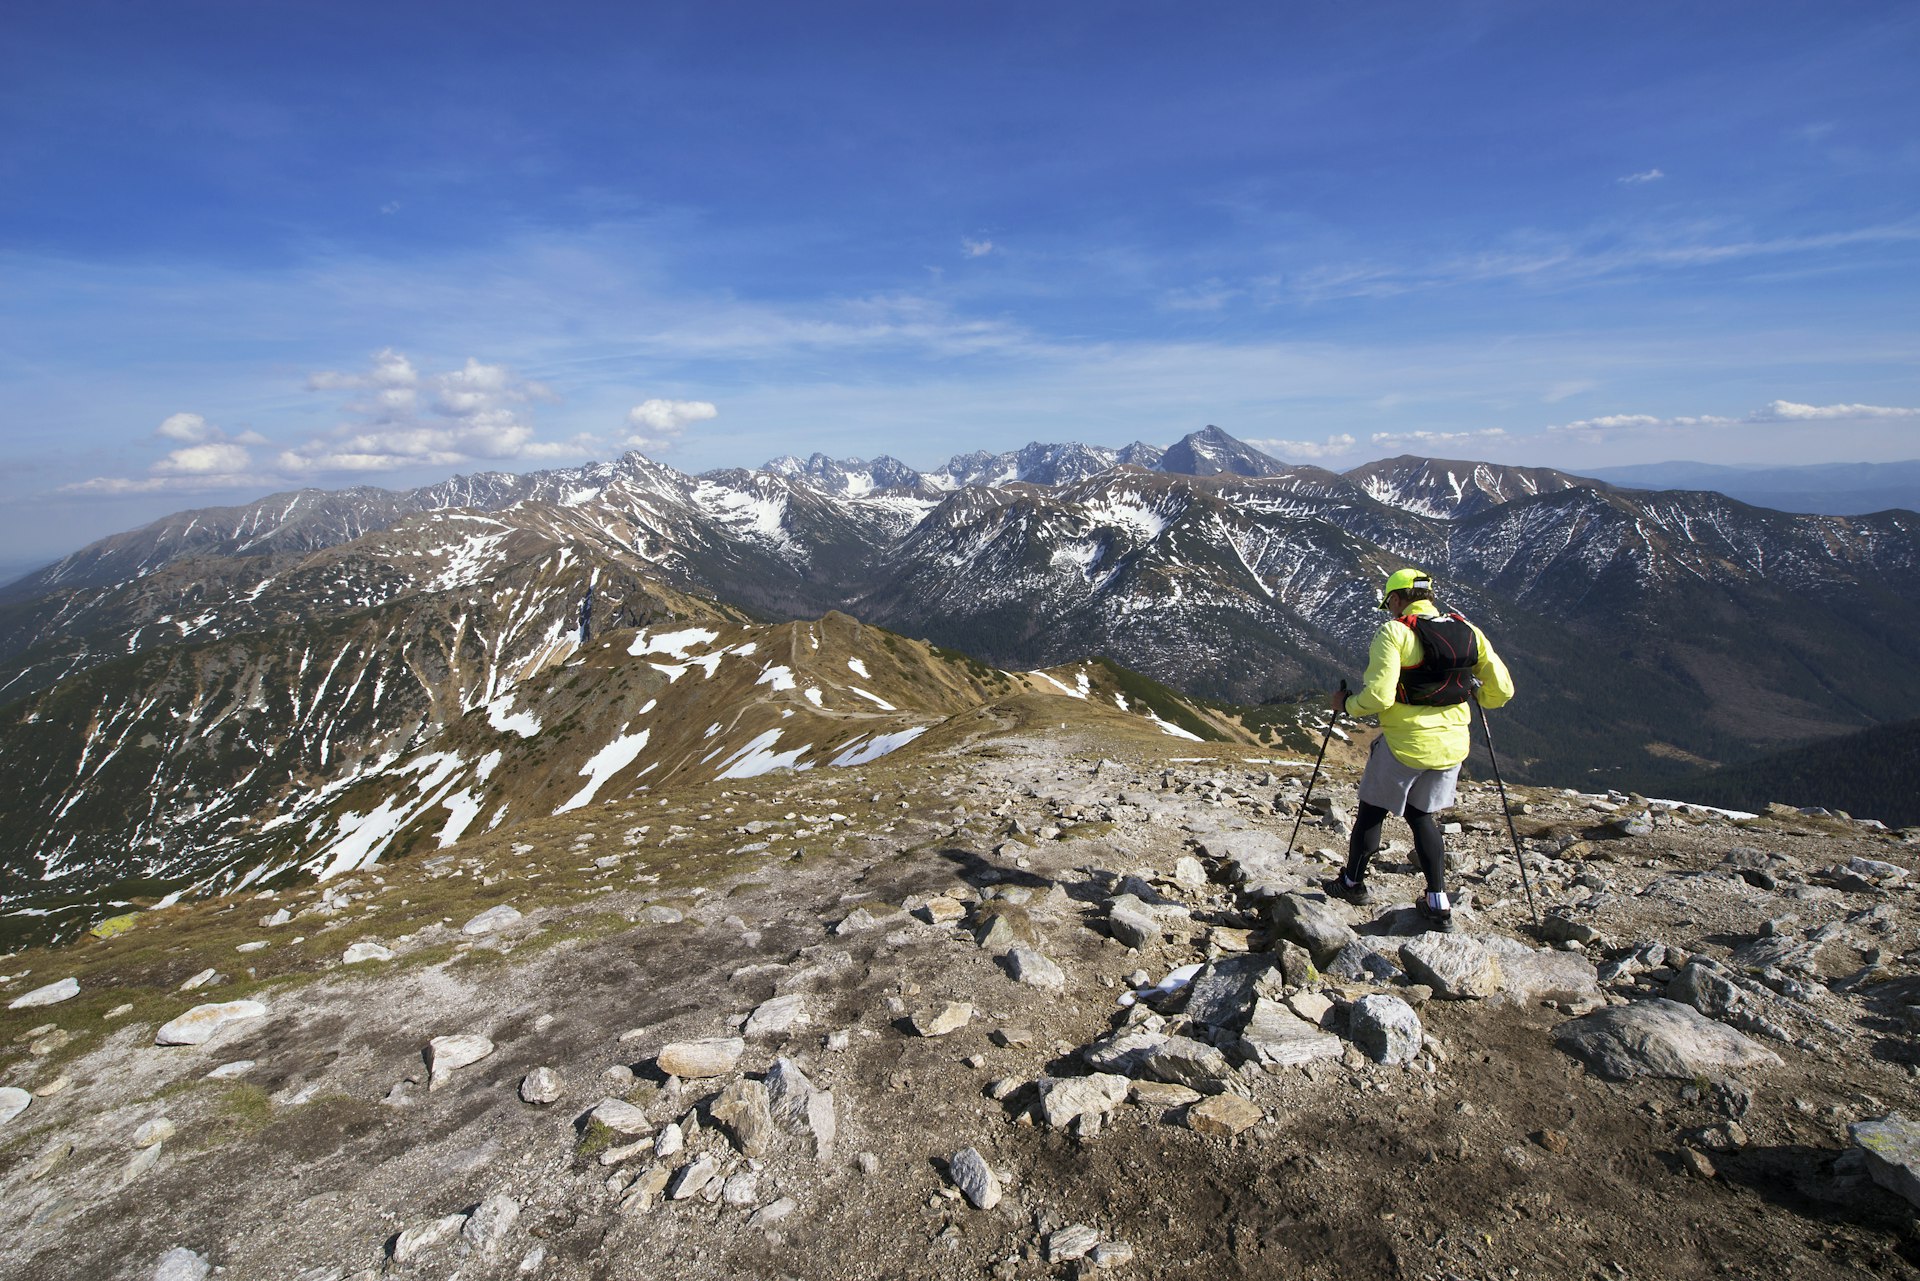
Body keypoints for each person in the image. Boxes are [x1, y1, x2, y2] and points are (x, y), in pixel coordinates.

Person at [1323, 568, 1514, 932]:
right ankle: (1437, 901)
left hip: (1405, 744)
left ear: (1396, 599)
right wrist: (1478, 694)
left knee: (1372, 810)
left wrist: (1346, 704)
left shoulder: (1395, 632)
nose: (1389, 610)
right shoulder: (1468, 630)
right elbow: (1501, 691)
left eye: (1389, 603)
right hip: (1453, 745)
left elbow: (1379, 695)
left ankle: (1352, 883)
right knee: (1421, 815)